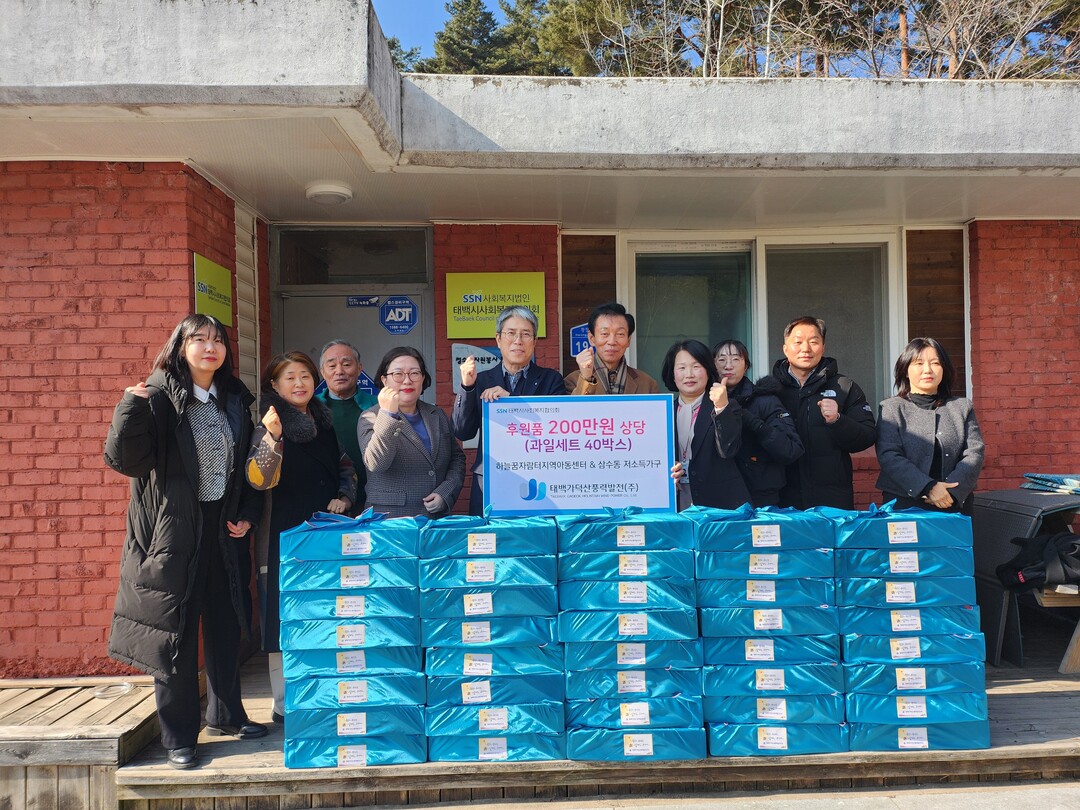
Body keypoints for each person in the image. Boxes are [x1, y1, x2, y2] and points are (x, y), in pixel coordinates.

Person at [104, 314, 266, 771]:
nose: (210, 347)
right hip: (173, 531)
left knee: (225, 625)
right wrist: (128, 409)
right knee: (174, 634)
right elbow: (124, 460)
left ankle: (227, 716)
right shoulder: (158, 398)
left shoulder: (233, 399)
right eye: (199, 339)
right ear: (180, 347)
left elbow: (246, 466)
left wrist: (247, 513)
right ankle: (179, 736)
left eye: (218, 340)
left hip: (222, 530)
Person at [245, 351, 357, 725]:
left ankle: (322, 693)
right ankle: (284, 701)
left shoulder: (324, 423)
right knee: (284, 617)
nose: (299, 383)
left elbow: (345, 467)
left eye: (305, 376)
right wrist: (273, 437)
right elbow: (258, 480)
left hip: (324, 533)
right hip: (284, 537)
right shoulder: (268, 425)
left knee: (324, 612)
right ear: (274, 386)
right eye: (290, 377)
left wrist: (344, 497)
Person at [453, 306, 566, 515]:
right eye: (511, 333)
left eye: (525, 334)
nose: (518, 341)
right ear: (498, 339)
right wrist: (467, 387)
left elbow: (556, 430)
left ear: (534, 341)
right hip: (490, 480)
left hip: (538, 480)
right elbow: (462, 431)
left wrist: (511, 402)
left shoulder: (551, 380)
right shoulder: (482, 380)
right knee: (488, 536)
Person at [769, 316, 877, 510]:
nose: (805, 349)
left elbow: (867, 436)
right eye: (798, 342)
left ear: (823, 347)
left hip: (832, 499)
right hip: (782, 499)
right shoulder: (770, 390)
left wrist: (838, 420)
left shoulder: (844, 387)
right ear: (785, 349)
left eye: (813, 342)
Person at [876, 337, 985, 514]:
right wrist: (928, 487)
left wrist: (951, 492)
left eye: (935, 363)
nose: (927, 370)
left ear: (944, 369)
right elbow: (889, 455)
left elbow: (974, 452)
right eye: (919, 363)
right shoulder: (892, 408)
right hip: (905, 503)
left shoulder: (962, 407)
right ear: (906, 370)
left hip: (953, 502)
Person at [358, 346, 466, 518]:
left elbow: (456, 458)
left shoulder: (436, 414)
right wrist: (388, 414)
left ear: (423, 378)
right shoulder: (370, 417)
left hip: (434, 518)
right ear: (384, 380)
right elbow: (376, 464)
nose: (407, 380)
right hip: (390, 518)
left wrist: (445, 493)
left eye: (414, 373)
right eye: (398, 374)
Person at [714, 339, 804, 507]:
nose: (728, 366)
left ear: (746, 366)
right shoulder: (704, 403)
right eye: (722, 359)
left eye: (735, 359)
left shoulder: (765, 400)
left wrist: (756, 423)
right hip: (718, 495)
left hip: (760, 497)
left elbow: (791, 450)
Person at [665, 339, 751, 511]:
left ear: (707, 370)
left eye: (696, 366)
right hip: (675, 500)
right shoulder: (664, 411)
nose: (689, 374)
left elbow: (728, 449)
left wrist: (721, 407)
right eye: (682, 368)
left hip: (719, 506)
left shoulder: (728, 406)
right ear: (672, 374)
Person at [315, 339, 377, 512]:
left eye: (347, 364)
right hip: (325, 503)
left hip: (373, 500)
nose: (339, 371)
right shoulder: (311, 408)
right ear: (323, 372)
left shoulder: (378, 406)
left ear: (359, 368)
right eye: (331, 366)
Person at [564, 301, 660, 395]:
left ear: (628, 340)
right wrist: (586, 379)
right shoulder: (572, 381)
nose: (612, 342)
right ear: (592, 338)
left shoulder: (647, 384)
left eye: (620, 334)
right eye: (604, 333)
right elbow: (575, 406)